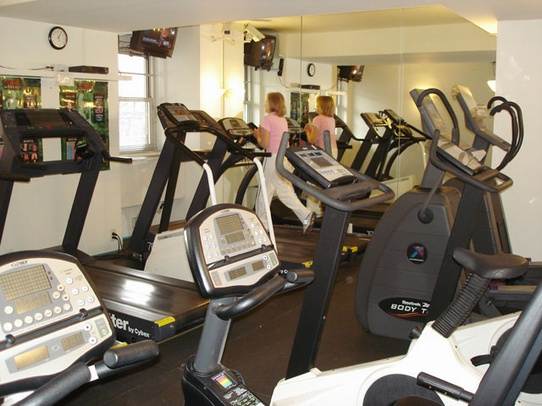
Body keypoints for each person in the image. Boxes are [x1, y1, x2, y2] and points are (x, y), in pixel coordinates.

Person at [254, 92, 315, 234]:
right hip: (283, 158)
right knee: (284, 191)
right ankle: (305, 215)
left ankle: (262, 225)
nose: (265, 103)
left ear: (271, 103)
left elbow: (265, 144)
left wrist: (257, 136)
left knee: (264, 192)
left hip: (272, 158)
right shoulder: (282, 120)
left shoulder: (267, 119)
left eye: (266, 101)